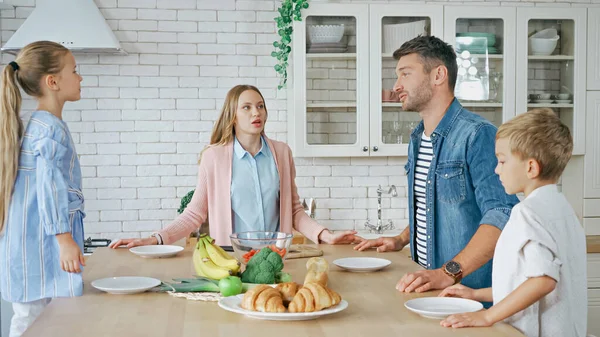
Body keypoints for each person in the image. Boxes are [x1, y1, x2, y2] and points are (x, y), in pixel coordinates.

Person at [354, 36, 519, 296]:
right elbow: (432, 204)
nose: (396, 86)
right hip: (431, 291)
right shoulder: (418, 138)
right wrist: (400, 239)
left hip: (471, 295)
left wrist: (448, 272)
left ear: (438, 75)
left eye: (405, 74)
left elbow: (501, 213)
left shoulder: (478, 135)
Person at [109, 85, 357, 249]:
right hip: (230, 257)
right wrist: (155, 239)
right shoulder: (213, 157)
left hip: (277, 256)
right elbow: (195, 213)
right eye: (246, 107)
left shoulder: (281, 153)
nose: (255, 112)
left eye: (260, 106)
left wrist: (326, 235)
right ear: (233, 115)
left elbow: (294, 211)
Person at [439, 108, 587, 336]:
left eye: (502, 161)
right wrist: (476, 294)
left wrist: (487, 316)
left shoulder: (527, 213)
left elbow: (543, 280)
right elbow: (525, 281)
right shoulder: (564, 210)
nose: (496, 170)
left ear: (530, 167)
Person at [0, 41, 85, 337]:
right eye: (73, 71)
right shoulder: (50, 129)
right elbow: (51, 188)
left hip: (30, 244)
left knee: (34, 317)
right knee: (32, 320)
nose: (80, 77)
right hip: (39, 245)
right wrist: (64, 239)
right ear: (53, 82)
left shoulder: (40, 125)